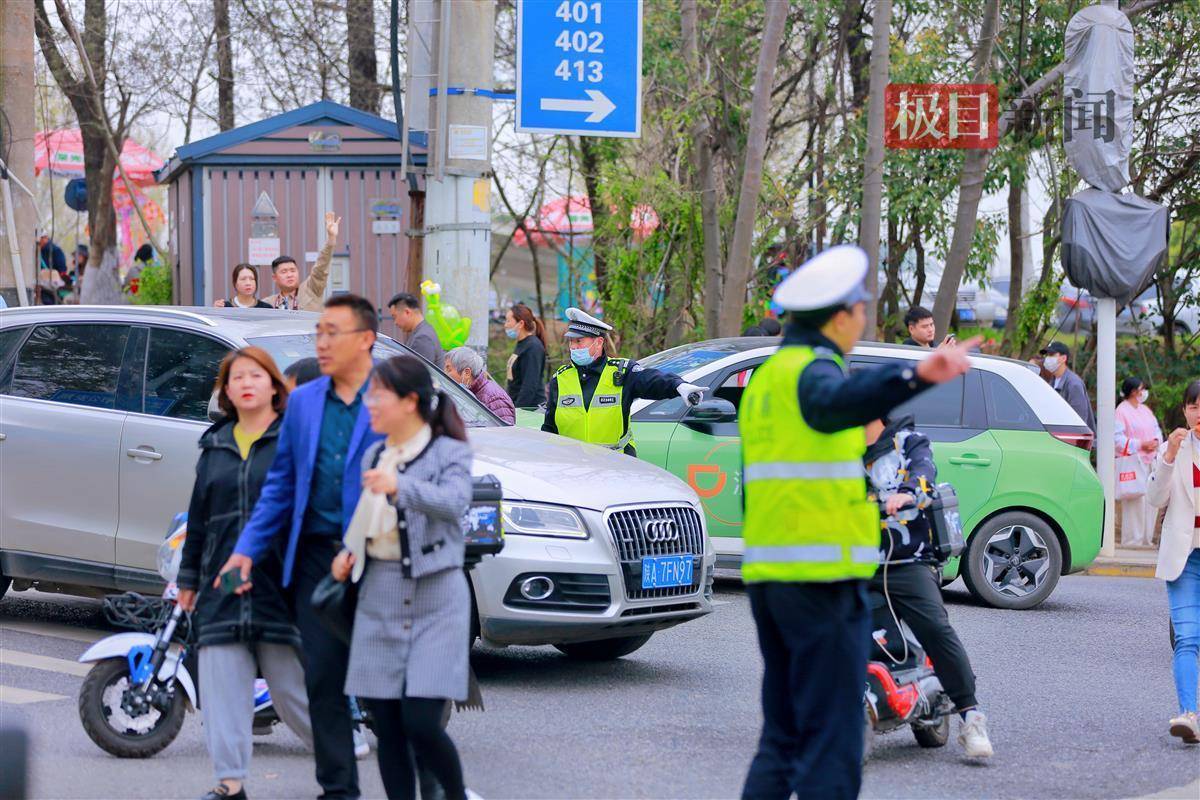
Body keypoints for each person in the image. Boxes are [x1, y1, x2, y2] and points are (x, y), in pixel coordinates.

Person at [738, 245, 977, 800]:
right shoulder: (812, 373)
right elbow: (834, 402)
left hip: (772, 581)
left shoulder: (768, 378)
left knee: (785, 737)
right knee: (835, 740)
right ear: (839, 315)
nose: (864, 320)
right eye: (862, 310)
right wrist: (917, 374)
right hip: (819, 584)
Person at [220, 294, 384, 800]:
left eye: (333, 332)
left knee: (391, 688)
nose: (322, 343)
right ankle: (339, 790)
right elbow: (282, 486)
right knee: (323, 678)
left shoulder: (394, 394)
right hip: (315, 558)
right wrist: (246, 548)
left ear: (366, 340)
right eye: (319, 333)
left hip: (382, 557)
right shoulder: (305, 402)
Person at [332, 355, 474, 800]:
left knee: (420, 721)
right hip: (381, 596)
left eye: (379, 395)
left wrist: (401, 487)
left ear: (410, 401)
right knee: (388, 727)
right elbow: (367, 518)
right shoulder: (376, 453)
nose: (370, 402)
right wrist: (349, 551)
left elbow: (455, 503)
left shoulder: (448, 450)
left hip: (437, 596)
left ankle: (454, 795)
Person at [175, 346, 314, 800]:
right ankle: (229, 784)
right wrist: (189, 580)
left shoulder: (291, 439)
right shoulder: (213, 445)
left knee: (292, 692)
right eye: (237, 378)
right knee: (221, 690)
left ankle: (342, 756)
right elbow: (198, 519)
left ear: (274, 385)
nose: (246, 383)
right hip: (221, 582)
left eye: (256, 375)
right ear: (227, 391)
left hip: (278, 584)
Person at [863, 414, 993, 757]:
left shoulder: (909, 442)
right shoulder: (834, 451)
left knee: (935, 629)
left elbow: (924, 478)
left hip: (908, 559)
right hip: (853, 561)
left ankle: (971, 717)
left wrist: (906, 495)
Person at [541, 307, 706, 455]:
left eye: (579, 341)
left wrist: (678, 385)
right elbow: (549, 429)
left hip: (615, 467)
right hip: (573, 469)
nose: (573, 347)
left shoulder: (621, 372)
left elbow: (651, 380)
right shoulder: (560, 378)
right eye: (571, 341)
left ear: (599, 343)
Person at [1147, 379, 1200, 744]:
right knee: (1187, 637)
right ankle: (1188, 714)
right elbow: (1154, 498)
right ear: (1185, 410)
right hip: (1185, 559)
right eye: (1195, 406)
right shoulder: (1174, 450)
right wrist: (1167, 457)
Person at [250, 211, 340, 311]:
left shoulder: (311, 289)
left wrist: (331, 239)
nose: (289, 275)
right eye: (284, 272)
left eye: (293, 270)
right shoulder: (267, 304)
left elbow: (320, 267)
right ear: (274, 277)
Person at [1115, 376, 1164, 547]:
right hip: (1134, 461)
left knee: (1151, 501)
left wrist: (1155, 442)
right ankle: (1132, 542)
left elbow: (1157, 430)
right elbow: (1117, 439)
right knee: (1134, 502)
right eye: (1142, 388)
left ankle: (1146, 540)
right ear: (1134, 391)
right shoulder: (1121, 411)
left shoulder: (1146, 410)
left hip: (1151, 461)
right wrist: (1140, 444)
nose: (1144, 392)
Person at [444, 346, 515, 424]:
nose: (445, 373)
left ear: (467, 372)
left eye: (449, 369)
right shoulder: (468, 391)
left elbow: (505, 433)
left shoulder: (494, 398)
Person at [1039, 341, 1096, 433]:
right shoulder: (1052, 382)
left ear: (1063, 358)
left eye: (1051, 355)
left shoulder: (1073, 384)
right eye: (1047, 355)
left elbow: (1079, 420)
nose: (1047, 359)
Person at [504, 303, 547, 409]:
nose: (505, 325)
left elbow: (529, 386)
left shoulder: (533, 347)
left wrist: (517, 412)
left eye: (508, 321)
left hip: (530, 410)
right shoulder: (521, 344)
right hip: (518, 407)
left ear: (521, 323)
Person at [388, 292, 444, 365]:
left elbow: (418, 374)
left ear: (407, 312)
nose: (395, 322)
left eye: (394, 317)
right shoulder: (422, 331)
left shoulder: (422, 338)